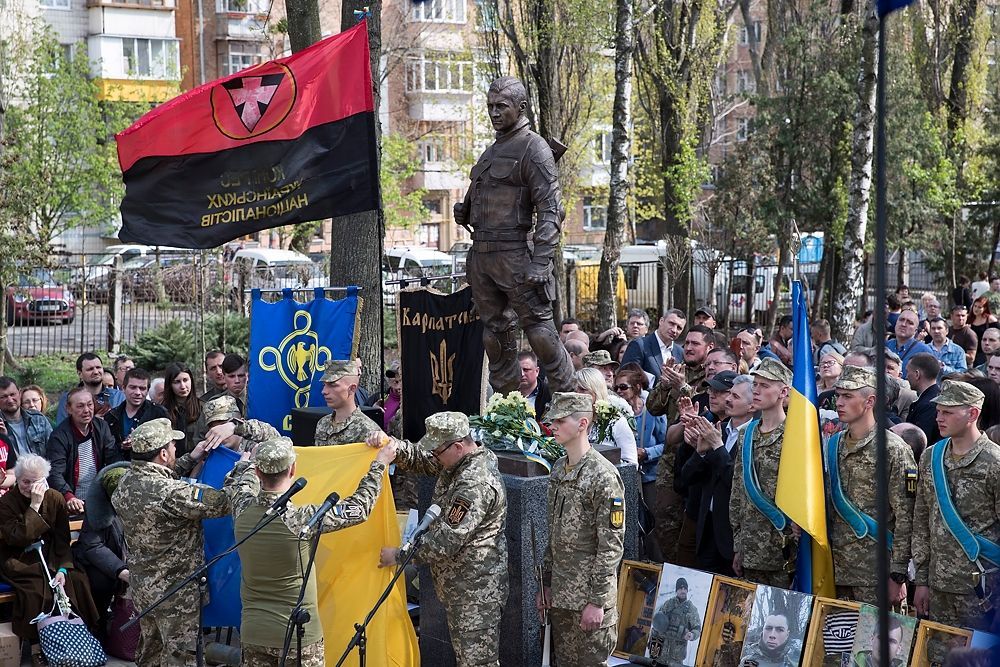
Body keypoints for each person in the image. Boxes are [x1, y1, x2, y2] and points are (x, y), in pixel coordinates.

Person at [225, 437, 398, 666]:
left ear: (258, 472)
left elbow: (239, 485)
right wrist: (379, 464)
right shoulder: (302, 519)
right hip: (299, 635)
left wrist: (245, 463)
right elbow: (359, 508)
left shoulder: (241, 506)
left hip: (254, 631)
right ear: (294, 469)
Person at [455, 76, 574, 394]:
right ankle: (507, 407)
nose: (494, 112)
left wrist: (540, 261)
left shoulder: (533, 148)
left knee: (539, 331)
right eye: (490, 106)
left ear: (521, 107)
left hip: (515, 255)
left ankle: (568, 398)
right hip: (482, 256)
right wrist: (465, 210)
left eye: (501, 106)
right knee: (494, 334)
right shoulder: (491, 151)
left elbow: (551, 209)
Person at [371, 412, 508, 667]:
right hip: (461, 588)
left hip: (476, 593)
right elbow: (422, 460)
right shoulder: (457, 461)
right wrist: (392, 446)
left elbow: (446, 540)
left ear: (457, 446)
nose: (433, 456)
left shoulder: (474, 484)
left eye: (437, 451)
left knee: (477, 662)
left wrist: (399, 556)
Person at [112, 418, 230, 666]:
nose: (177, 449)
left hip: (144, 588)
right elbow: (222, 502)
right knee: (180, 656)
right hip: (176, 592)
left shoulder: (125, 483)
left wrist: (190, 458)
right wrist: (242, 469)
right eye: (174, 446)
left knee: (151, 652)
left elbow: (157, 481)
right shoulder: (171, 493)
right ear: (163, 454)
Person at [537, 392, 625, 667]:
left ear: (582, 424)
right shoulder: (559, 468)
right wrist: (546, 583)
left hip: (588, 598)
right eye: (552, 421)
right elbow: (553, 532)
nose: (553, 427)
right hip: (562, 596)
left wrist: (597, 602)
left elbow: (611, 545)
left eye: (561, 421)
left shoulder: (604, 476)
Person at [912, 380, 1000, 631]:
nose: (939, 417)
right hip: (938, 586)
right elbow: (922, 520)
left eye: (948, 412)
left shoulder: (994, 462)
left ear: (973, 414)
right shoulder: (931, 456)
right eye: (938, 411)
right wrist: (921, 580)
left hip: (982, 589)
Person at [827, 366, 915, 605]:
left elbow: (907, 515)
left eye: (848, 396)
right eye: (838, 395)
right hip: (833, 569)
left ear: (869, 401)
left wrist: (897, 574)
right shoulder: (832, 445)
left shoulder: (894, 449)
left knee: (872, 642)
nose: (839, 403)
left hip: (876, 573)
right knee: (836, 642)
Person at [0, 454, 100, 664]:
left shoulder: (55, 497)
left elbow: (62, 540)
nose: (30, 487)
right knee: (36, 588)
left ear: (44, 479)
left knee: (77, 580)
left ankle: (80, 636)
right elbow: (18, 538)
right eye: (25, 482)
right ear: (17, 480)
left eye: (35, 481)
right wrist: (34, 506)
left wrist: (63, 569)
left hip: (51, 555)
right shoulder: (6, 503)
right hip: (19, 558)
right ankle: (37, 645)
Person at [729, 358, 795, 588]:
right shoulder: (746, 434)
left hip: (783, 550)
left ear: (783, 391)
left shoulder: (795, 435)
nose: (756, 390)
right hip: (750, 547)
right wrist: (738, 545)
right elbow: (737, 492)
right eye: (755, 384)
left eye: (765, 386)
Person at [682, 374, 754, 576]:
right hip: (707, 530)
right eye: (729, 394)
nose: (729, 399)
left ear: (751, 406)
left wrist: (717, 447)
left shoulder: (753, 437)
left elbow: (739, 484)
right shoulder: (717, 430)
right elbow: (685, 479)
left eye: (736, 397)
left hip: (732, 537)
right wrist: (700, 451)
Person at [73, 463, 130, 636]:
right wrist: (121, 569)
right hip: (93, 565)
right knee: (102, 581)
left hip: (121, 561)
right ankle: (98, 630)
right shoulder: (99, 510)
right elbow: (92, 546)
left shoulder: (135, 507)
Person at [614, 364, 665, 559]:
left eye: (623, 387)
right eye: (616, 387)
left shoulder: (651, 411)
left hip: (649, 476)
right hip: (625, 478)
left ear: (636, 387)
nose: (619, 391)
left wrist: (646, 452)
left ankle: (655, 564)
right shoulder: (614, 411)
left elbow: (666, 444)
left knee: (651, 524)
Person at [47, 386, 121, 515]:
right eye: (80, 406)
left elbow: (113, 458)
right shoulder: (59, 436)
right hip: (72, 498)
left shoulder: (101, 427)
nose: (86, 410)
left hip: (99, 496)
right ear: (69, 409)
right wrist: (68, 496)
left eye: (89, 404)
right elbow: (55, 472)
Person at [573, 368, 638, 466]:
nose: (577, 394)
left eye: (583, 389)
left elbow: (631, 464)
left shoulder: (616, 422)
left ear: (596, 391)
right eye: (575, 390)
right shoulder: (572, 421)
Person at [314, 359, 382, 446]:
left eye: (332, 385)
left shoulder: (368, 430)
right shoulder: (323, 423)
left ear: (352, 389)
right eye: (324, 385)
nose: (324, 391)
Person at [105, 368, 169, 452]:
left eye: (142, 388)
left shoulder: (159, 413)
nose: (137, 392)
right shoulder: (111, 417)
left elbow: (167, 446)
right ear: (123, 388)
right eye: (133, 387)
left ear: (147, 391)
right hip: (119, 463)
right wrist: (121, 446)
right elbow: (107, 449)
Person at [55, 352, 125, 423]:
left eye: (98, 367)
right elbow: (62, 429)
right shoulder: (68, 399)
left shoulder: (119, 396)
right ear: (80, 374)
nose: (96, 372)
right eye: (90, 369)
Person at [621, 309, 687, 382]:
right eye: (671, 323)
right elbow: (626, 378)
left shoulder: (680, 352)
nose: (674, 330)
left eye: (679, 328)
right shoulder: (639, 345)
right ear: (661, 321)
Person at [647, 578, 701, 666]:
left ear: (687, 590)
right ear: (676, 590)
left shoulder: (691, 609)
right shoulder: (668, 604)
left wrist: (692, 635)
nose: (682, 591)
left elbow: (697, 628)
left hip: (676, 655)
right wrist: (651, 641)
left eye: (684, 589)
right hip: (660, 652)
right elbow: (657, 623)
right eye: (680, 588)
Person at [0, 377, 52, 457]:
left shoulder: (38, 419)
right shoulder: (1, 427)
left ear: (19, 393)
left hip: (43, 468)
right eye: (4, 397)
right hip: (13, 469)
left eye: (12, 394)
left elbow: (55, 451)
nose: (10, 400)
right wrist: (3, 438)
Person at [162, 363, 203, 456]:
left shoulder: (202, 408)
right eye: (177, 382)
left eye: (185, 380)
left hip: (199, 461)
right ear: (170, 385)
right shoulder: (162, 411)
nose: (183, 386)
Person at [905, 353, 942, 446]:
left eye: (908, 372)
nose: (906, 377)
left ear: (917, 374)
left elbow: (920, 442)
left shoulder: (929, 405)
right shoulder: (934, 397)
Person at [887, 310, 933, 379]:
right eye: (901, 320)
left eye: (910, 323)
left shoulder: (924, 351)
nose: (903, 324)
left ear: (915, 330)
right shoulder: (885, 346)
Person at [519, 351, 552, 416]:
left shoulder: (549, 394)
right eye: (518, 370)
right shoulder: (506, 393)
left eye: (526, 370)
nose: (522, 374)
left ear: (537, 371)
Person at [951, 304, 981, 369]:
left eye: (963, 316)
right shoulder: (947, 330)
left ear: (966, 316)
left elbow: (971, 358)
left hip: (964, 370)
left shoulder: (970, 334)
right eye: (958, 315)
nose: (960, 318)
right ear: (952, 316)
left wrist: (953, 351)